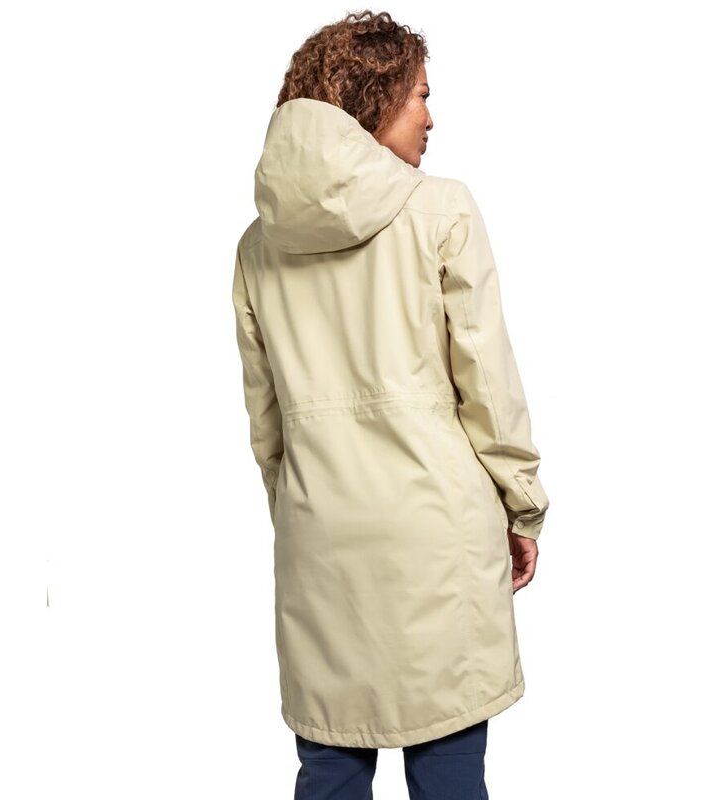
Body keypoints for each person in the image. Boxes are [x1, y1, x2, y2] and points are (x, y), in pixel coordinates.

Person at [231, 10, 550, 799]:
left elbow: (266, 424)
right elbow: (487, 384)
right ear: (371, 99)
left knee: (330, 769)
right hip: (436, 542)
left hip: (321, 545)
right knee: (447, 769)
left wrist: (305, 515)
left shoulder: (258, 245)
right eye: (420, 96)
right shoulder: (442, 210)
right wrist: (522, 505)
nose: (431, 117)